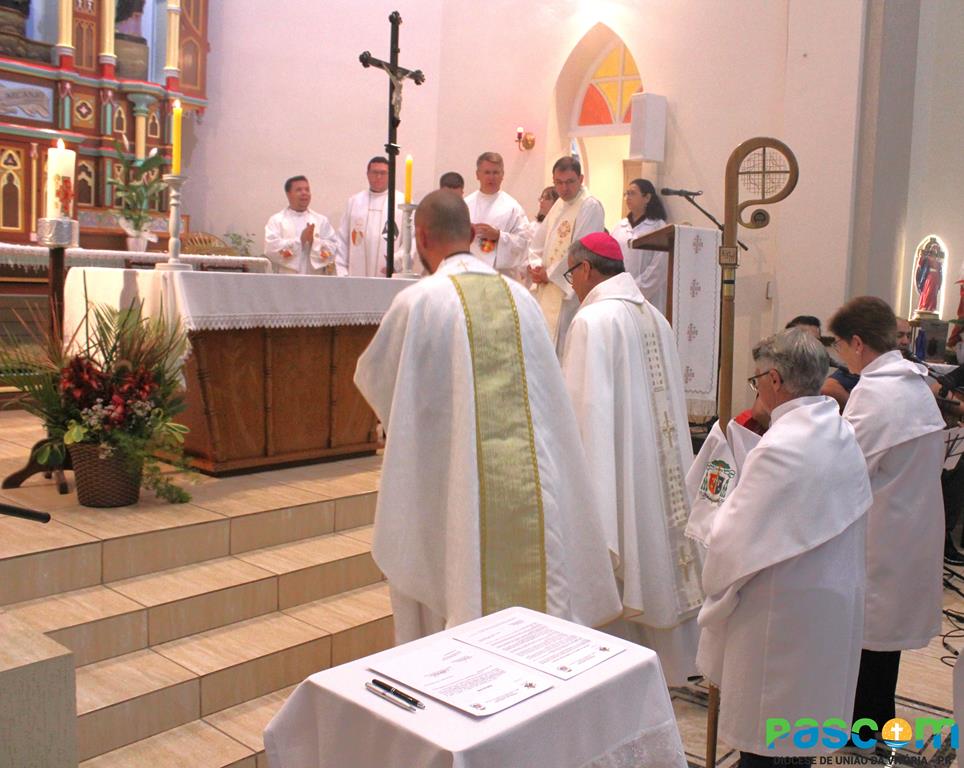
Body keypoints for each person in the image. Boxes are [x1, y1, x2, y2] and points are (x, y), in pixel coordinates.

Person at [354, 190, 622, 643]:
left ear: (421, 237)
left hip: (450, 478)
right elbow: (548, 402)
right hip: (529, 493)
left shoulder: (419, 301)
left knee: (451, 574)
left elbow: (381, 384)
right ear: (472, 235)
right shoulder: (521, 299)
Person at [696, 329, 873, 766]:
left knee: (766, 737)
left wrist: (712, 517)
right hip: (829, 604)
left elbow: (731, 542)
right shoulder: (840, 431)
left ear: (774, 380)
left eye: (757, 380)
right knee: (801, 730)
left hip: (781, 616)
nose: (756, 390)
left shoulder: (780, 448)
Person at [561, 232, 703, 685]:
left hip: (617, 470)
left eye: (570, 275)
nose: (572, 286)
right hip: (650, 471)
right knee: (651, 546)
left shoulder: (592, 321)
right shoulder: (656, 318)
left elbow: (582, 416)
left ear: (585, 269)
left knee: (618, 543)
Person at [828, 296, 945, 738]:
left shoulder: (876, 393)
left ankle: (861, 729)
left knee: (868, 639)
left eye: (840, 344)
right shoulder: (914, 383)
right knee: (883, 643)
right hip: (911, 525)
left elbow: (848, 467)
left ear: (858, 343)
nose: (839, 354)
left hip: (882, 533)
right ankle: (875, 720)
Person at [527, 156, 605, 356]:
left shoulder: (590, 206)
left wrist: (550, 274)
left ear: (581, 179)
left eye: (570, 182)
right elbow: (537, 243)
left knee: (565, 350)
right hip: (547, 286)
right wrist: (536, 266)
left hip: (570, 289)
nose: (564, 188)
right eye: (559, 183)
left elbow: (581, 250)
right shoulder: (559, 205)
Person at [463, 152, 529, 279]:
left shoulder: (513, 207)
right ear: (477, 175)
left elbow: (524, 242)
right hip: (470, 271)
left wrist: (499, 236)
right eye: (487, 172)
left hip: (501, 275)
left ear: (502, 175)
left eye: (496, 172)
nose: (491, 177)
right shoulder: (465, 205)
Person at [335, 157, 401, 277]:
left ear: (390, 175)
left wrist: (396, 262)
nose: (378, 177)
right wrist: (342, 272)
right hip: (356, 276)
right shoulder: (354, 202)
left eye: (383, 173)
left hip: (389, 275)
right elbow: (342, 239)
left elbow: (410, 241)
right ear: (367, 174)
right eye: (374, 172)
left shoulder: (400, 203)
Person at [611, 179, 669, 315]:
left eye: (632, 193)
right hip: (618, 292)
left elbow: (659, 267)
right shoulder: (619, 227)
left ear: (647, 197)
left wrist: (634, 289)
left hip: (647, 296)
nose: (628, 197)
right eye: (626, 194)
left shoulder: (658, 227)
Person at [263, 175, 339, 275]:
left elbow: (334, 248)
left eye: (307, 190)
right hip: (286, 279)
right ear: (288, 194)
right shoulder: (277, 220)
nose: (304, 193)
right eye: (299, 190)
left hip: (315, 279)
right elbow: (271, 249)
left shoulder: (321, 221)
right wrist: (300, 241)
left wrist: (314, 242)